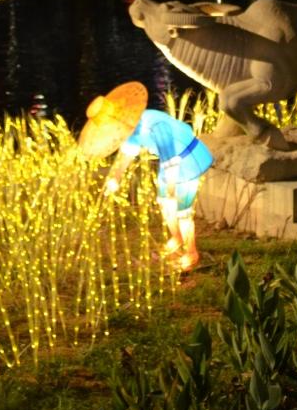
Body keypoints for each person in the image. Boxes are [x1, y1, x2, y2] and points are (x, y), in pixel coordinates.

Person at [78, 81, 213, 270]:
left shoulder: (155, 124)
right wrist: (115, 177)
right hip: (168, 164)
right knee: (164, 203)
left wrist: (171, 188)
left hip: (187, 159)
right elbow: (127, 154)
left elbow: (171, 158)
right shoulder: (131, 131)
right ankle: (177, 238)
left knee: (182, 210)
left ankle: (191, 252)